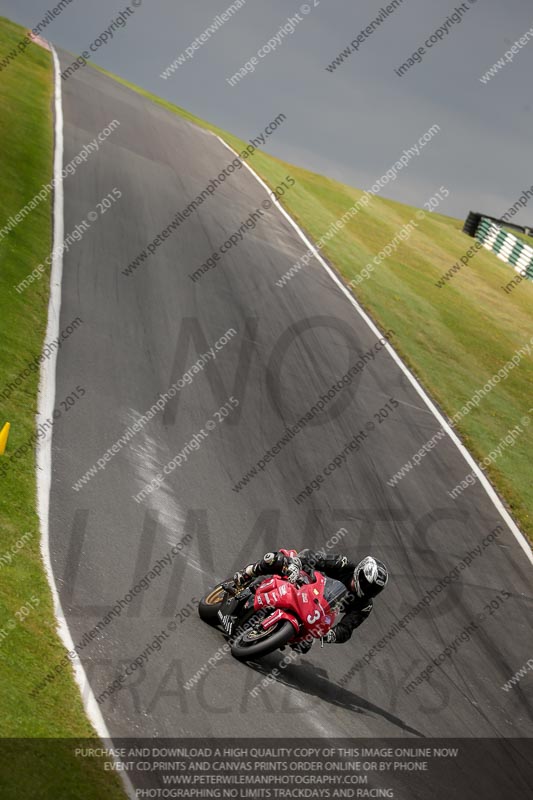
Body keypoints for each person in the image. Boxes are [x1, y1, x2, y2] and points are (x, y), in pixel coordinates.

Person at [233, 548, 388, 652]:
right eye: (367, 584)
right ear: (359, 571)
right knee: (277, 559)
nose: (367, 590)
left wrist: (329, 635)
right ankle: (247, 575)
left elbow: (346, 629)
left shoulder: (364, 605)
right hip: (308, 581)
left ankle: (274, 634)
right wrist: (297, 564)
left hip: (320, 610)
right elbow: (315, 558)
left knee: (303, 646)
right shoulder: (344, 564)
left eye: (373, 589)